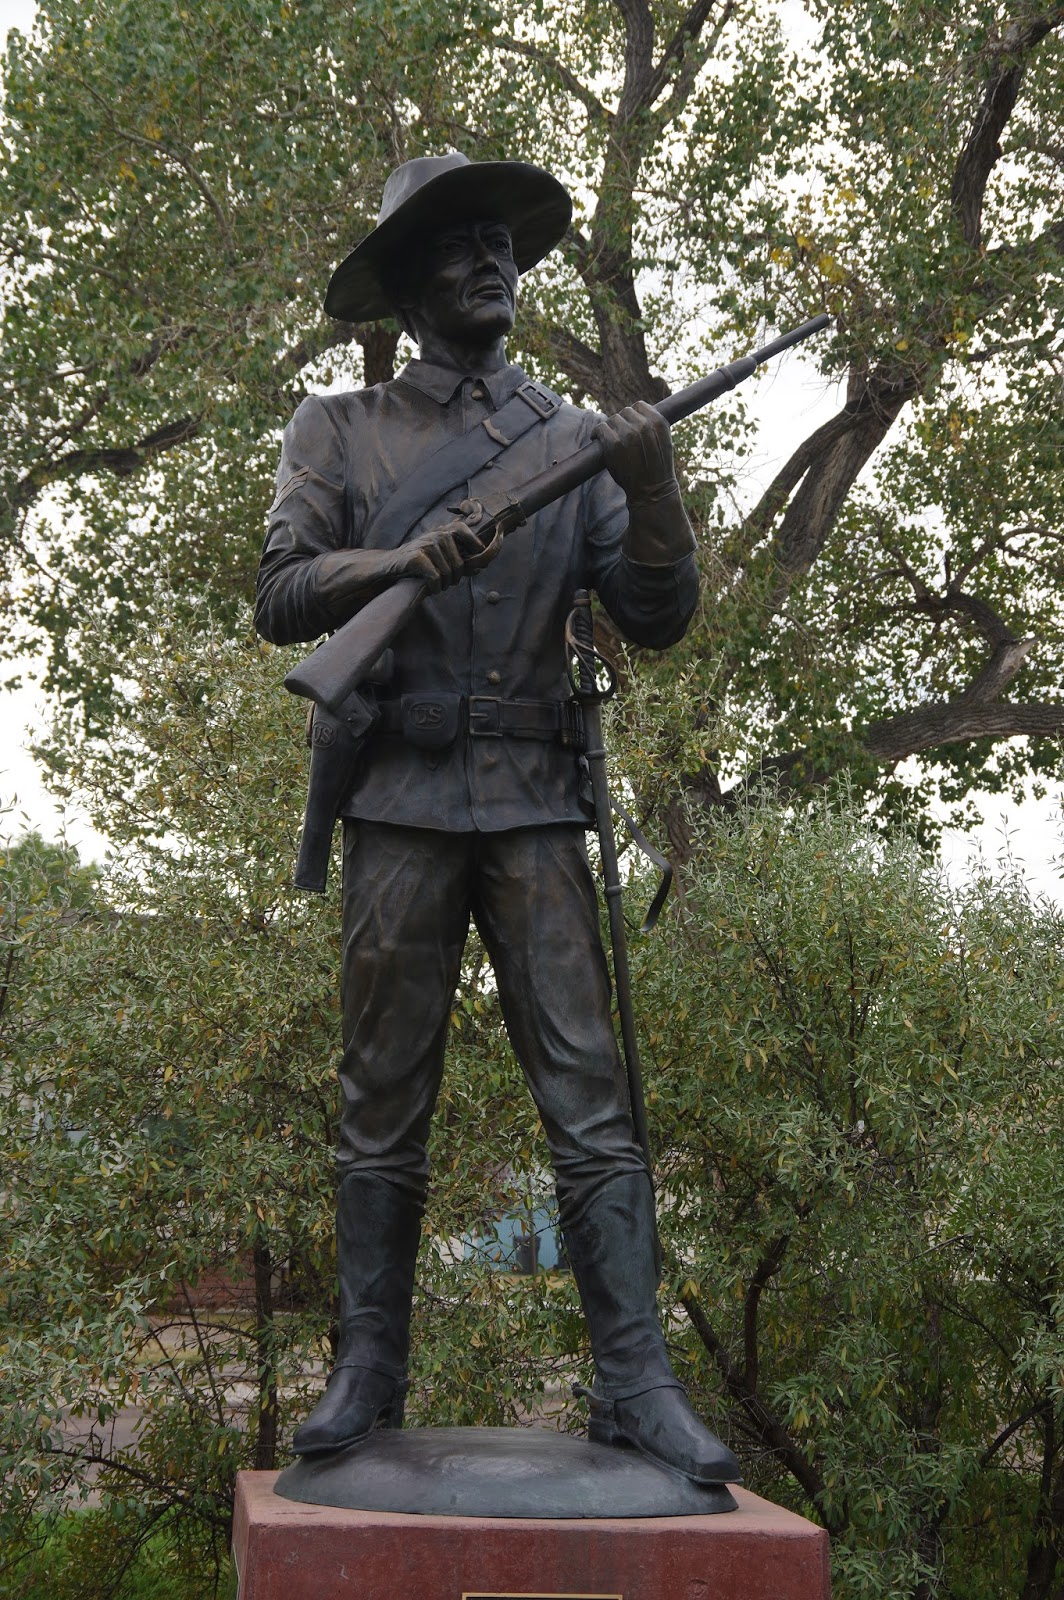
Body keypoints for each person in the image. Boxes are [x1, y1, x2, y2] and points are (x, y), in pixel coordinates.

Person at [254, 152, 739, 1486]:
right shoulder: (338, 434)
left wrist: (650, 489)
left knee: (590, 1102)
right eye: (459, 248)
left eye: (501, 245)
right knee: (379, 1100)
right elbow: (284, 592)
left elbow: (657, 620)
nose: (491, 264)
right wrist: (400, 562)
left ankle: (637, 1381)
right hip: (402, 803)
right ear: (409, 287)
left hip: (534, 807)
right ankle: (367, 1366)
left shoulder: (573, 439)